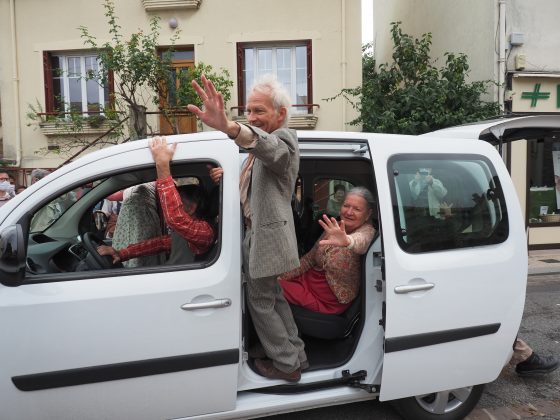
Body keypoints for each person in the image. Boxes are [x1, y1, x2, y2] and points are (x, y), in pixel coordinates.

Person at [187, 74, 306, 382]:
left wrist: (230, 127)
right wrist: (229, 177)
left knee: (260, 301)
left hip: (266, 238)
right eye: (248, 112)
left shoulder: (285, 141)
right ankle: (295, 354)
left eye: (259, 111)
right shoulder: (255, 155)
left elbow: (270, 149)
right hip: (258, 236)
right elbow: (257, 189)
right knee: (273, 296)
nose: (252, 118)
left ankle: (286, 365)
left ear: (280, 114)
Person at [98, 137, 215, 266]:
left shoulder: (205, 232)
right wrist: (121, 253)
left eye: (177, 202)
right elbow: (158, 244)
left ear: (192, 207)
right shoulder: (185, 232)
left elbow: (176, 219)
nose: (168, 207)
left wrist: (162, 165)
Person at [279, 187, 376, 314]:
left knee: (267, 288)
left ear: (368, 214)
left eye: (357, 209)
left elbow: (360, 241)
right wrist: (283, 276)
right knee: (272, 281)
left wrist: (347, 241)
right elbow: (309, 259)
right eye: (346, 206)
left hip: (327, 301)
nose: (349, 212)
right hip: (307, 282)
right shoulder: (333, 227)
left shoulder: (367, 231)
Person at [111, 182, 166, 268]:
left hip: (142, 224)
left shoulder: (153, 183)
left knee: (141, 255)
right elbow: (113, 196)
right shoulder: (131, 187)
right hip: (127, 226)